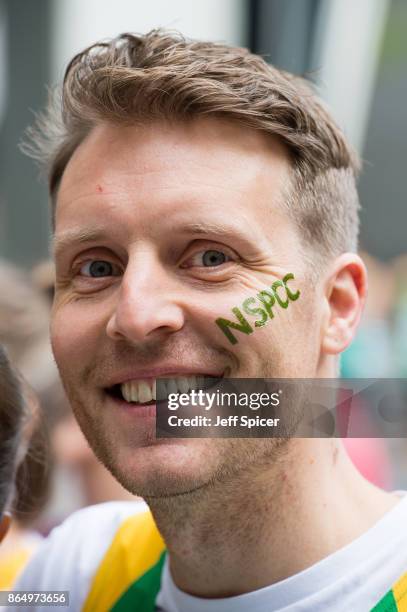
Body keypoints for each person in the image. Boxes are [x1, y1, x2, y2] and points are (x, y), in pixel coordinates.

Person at [14, 30, 407, 611]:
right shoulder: (71, 576)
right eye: (96, 266)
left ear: (339, 306)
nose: (137, 315)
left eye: (211, 257)